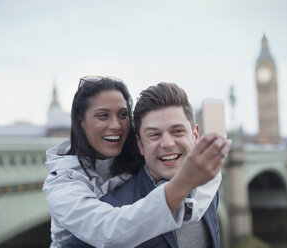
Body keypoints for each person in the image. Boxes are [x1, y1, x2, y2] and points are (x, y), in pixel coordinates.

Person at [43, 77, 230, 248]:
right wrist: (185, 181)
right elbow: (108, 231)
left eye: (123, 115)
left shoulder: (207, 188)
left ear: (195, 135)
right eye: (102, 115)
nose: (116, 125)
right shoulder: (69, 186)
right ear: (140, 144)